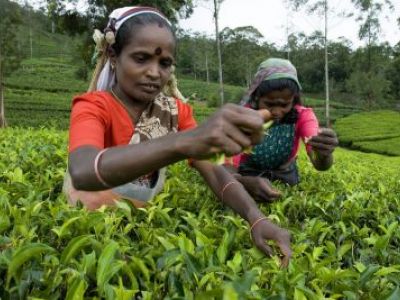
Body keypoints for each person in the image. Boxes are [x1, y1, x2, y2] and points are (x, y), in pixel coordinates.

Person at [63, 6, 291, 265]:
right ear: (114, 57)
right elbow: (82, 171)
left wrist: (256, 217)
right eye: (141, 58)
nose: (154, 72)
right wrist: (182, 142)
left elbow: (215, 171)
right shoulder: (93, 105)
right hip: (89, 224)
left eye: (164, 63)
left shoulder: (176, 112)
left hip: (143, 222)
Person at [224, 58, 338, 202]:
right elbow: (227, 164)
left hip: (285, 172)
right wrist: (242, 182)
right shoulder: (244, 116)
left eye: (284, 105)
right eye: (269, 104)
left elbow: (319, 164)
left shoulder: (303, 116)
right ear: (256, 97)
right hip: (248, 171)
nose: (277, 112)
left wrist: (324, 154)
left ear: (294, 100)